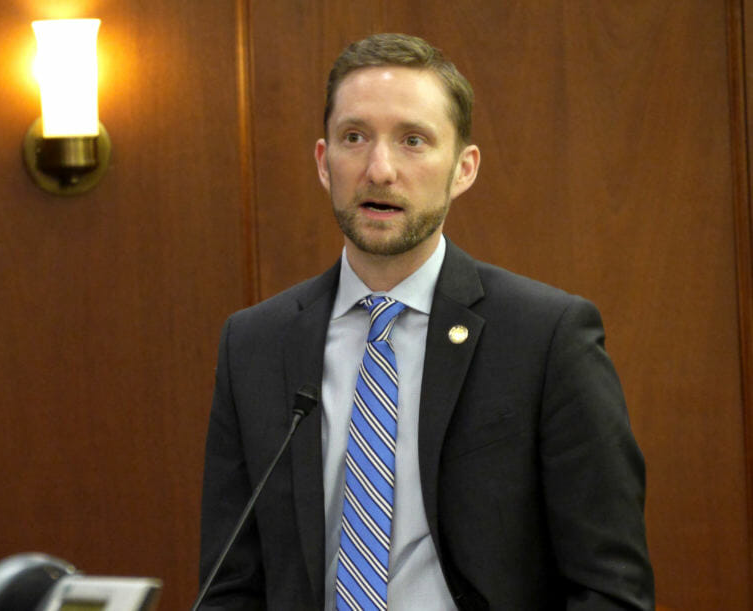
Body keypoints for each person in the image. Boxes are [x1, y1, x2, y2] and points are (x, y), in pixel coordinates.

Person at [199, 33, 654, 610]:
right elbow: (229, 587)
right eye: (354, 137)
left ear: (463, 169)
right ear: (323, 161)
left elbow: (610, 588)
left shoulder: (547, 337)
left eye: (412, 140)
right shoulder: (255, 345)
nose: (379, 169)